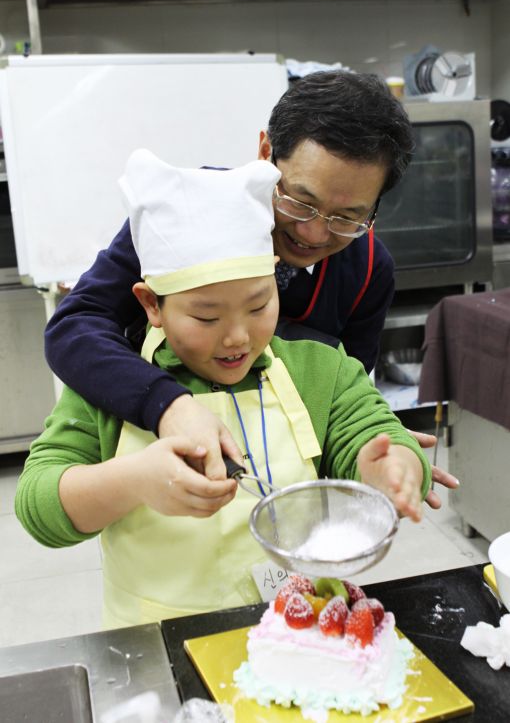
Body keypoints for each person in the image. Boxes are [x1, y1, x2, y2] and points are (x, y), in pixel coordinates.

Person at [17, 152, 431, 628]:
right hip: (158, 647)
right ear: (151, 304)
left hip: (299, 632)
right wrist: (133, 480)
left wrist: (391, 469)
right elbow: (37, 506)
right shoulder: (111, 383)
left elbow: (374, 432)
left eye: (258, 307)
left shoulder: (320, 368)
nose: (237, 337)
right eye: (207, 317)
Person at [43, 70, 452, 503]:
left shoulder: (369, 268)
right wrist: (167, 405)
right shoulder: (185, 212)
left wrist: (370, 446)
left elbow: (345, 390)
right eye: (300, 201)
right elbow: (74, 327)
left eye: (348, 217)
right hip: (170, 473)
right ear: (265, 153)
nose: (314, 234)